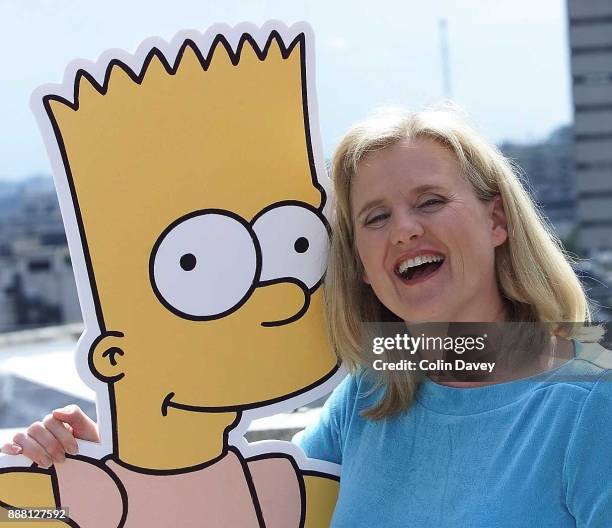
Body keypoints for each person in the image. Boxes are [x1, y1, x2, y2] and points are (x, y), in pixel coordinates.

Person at [4, 107, 612, 527]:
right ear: (364, 266)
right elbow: (227, 504)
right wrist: (83, 460)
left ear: (497, 221)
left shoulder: (591, 383)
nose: (404, 229)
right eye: (375, 218)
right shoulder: (377, 387)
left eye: (430, 201)